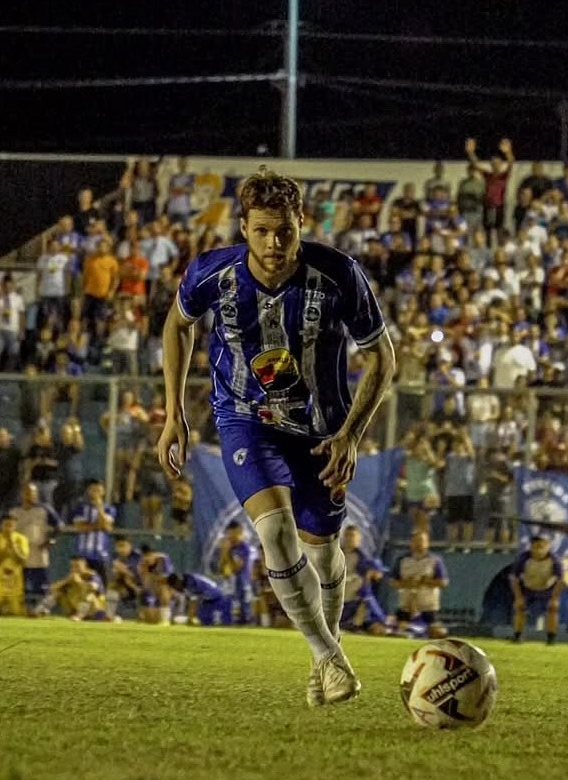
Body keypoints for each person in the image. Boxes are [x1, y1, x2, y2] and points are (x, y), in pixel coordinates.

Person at [158, 170, 395, 707]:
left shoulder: (338, 274)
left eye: (284, 231)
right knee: (275, 535)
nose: (273, 244)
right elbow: (176, 325)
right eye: (261, 231)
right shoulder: (210, 274)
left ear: (300, 225)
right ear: (243, 227)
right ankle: (330, 658)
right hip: (246, 420)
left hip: (322, 432)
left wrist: (351, 434)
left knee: (326, 556)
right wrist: (173, 412)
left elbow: (383, 357)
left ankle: (322, 655)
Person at [390, 526, 449, 638]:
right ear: (411, 543)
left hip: (428, 607)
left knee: (437, 633)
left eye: (421, 540)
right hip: (406, 606)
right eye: (416, 540)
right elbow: (393, 582)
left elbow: (444, 582)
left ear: (427, 543)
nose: (419, 543)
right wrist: (407, 583)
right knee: (400, 631)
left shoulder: (435, 560)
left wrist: (427, 581)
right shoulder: (402, 560)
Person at [11, 482, 60, 613]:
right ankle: (20, 608)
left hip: (38, 552)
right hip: (20, 554)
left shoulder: (44, 509)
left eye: (32, 493)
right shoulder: (15, 511)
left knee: (41, 584)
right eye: (27, 493)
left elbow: (59, 525)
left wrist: (51, 540)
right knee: (20, 583)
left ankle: (42, 609)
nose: (30, 496)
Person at [509, 532, 564, 644]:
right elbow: (514, 578)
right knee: (519, 607)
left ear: (547, 547)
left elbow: (560, 580)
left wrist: (554, 599)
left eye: (541, 546)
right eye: (535, 546)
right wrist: (518, 597)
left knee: (553, 609)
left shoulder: (555, 560)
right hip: (527, 589)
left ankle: (551, 638)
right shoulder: (523, 559)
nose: (538, 550)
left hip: (547, 590)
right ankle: (518, 636)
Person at [340, 524, 387, 635]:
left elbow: (379, 573)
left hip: (354, 597)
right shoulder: (334, 555)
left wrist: (374, 574)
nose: (349, 538)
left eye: (352, 536)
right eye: (347, 535)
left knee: (365, 599)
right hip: (334, 596)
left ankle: (356, 626)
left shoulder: (365, 558)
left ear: (358, 539)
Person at [0, 512, 29, 616]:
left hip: (14, 582)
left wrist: (14, 546)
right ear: (1, 525)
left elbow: (23, 560)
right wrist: (6, 548)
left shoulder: (21, 539)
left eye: (11, 525)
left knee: (16, 614)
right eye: (6, 525)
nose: (8, 528)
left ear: (15, 526)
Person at [70, 479, 115, 588]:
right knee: (82, 586)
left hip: (101, 555)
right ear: (88, 491)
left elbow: (107, 527)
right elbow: (80, 527)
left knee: (103, 587)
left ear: (103, 492)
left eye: (98, 490)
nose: (95, 493)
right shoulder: (80, 508)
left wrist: (99, 508)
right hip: (83, 555)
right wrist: (98, 526)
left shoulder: (109, 509)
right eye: (93, 490)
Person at [218, 520, 254, 625]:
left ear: (239, 532)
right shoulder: (230, 547)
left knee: (242, 590)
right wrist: (223, 552)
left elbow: (237, 568)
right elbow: (221, 569)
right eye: (229, 533)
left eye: (233, 532)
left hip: (243, 582)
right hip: (230, 582)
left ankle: (245, 619)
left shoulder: (244, 547)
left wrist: (227, 552)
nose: (230, 535)